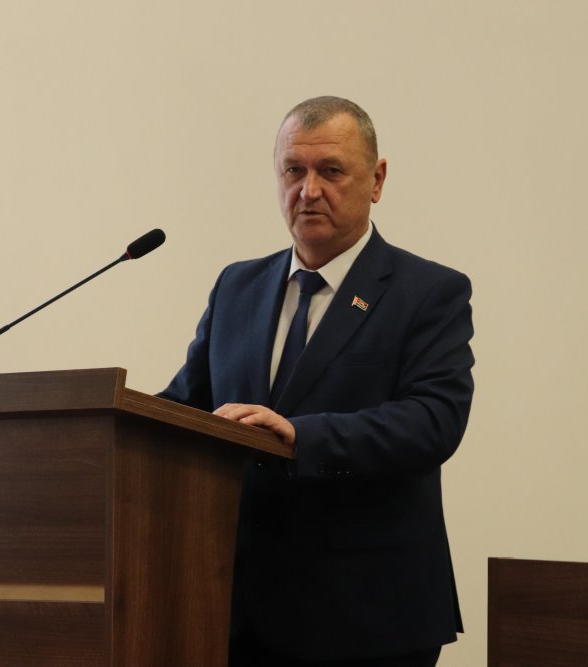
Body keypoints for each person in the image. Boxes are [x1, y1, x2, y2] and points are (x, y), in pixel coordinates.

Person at [158, 96, 474, 667]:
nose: (308, 190)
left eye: (331, 171)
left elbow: (433, 421)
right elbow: (187, 408)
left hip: (367, 616)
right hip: (235, 611)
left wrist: (301, 436)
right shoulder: (237, 287)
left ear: (376, 180)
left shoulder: (428, 292)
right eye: (293, 170)